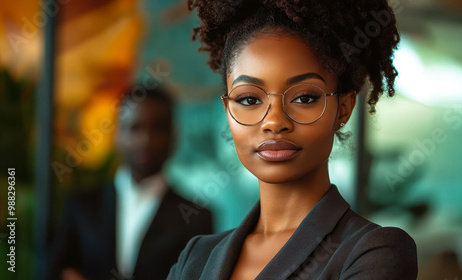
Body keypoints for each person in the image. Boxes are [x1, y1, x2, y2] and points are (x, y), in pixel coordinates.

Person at [167, 0, 417, 279]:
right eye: (249, 99)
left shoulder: (372, 252)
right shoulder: (195, 258)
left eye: (304, 98)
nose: (274, 122)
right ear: (227, 110)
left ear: (343, 109)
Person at [48, 86, 213, 280]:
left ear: (173, 138)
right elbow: (54, 269)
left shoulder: (196, 217)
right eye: (135, 128)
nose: (145, 140)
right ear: (118, 135)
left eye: (158, 128)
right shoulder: (81, 206)